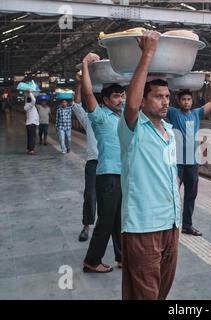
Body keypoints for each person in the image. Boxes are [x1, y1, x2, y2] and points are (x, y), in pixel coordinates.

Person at [118, 31, 181, 300]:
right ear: (143, 100)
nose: (165, 101)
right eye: (158, 96)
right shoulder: (133, 128)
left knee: (160, 291)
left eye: (167, 96)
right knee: (147, 293)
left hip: (171, 223)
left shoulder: (169, 131)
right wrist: (147, 54)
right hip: (144, 225)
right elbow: (130, 105)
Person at [81, 52, 125, 273]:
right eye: (116, 96)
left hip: (122, 175)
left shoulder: (123, 115)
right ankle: (92, 259)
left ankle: (121, 257)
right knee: (106, 220)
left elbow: (137, 97)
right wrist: (85, 66)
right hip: (107, 175)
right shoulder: (99, 117)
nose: (120, 99)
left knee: (118, 219)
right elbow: (88, 93)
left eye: (121, 95)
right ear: (106, 100)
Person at [166, 73, 211, 237]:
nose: (186, 102)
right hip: (177, 163)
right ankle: (170, 224)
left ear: (192, 101)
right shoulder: (173, 113)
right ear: (178, 101)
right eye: (183, 99)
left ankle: (187, 225)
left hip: (192, 163)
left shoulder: (197, 114)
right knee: (173, 194)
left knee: (190, 196)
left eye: (188, 99)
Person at [72, 72, 99, 242]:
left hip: (113, 164)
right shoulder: (89, 119)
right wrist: (80, 83)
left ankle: (117, 230)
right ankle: (86, 226)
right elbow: (76, 104)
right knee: (90, 195)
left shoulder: (117, 118)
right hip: (93, 163)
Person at [24, 91, 39, 155]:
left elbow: (30, 100)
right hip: (32, 123)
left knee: (29, 137)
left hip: (29, 123)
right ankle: (31, 150)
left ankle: (28, 149)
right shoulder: (31, 105)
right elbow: (34, 100)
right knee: (32, 137)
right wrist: (30, 93)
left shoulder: (26, 105)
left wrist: (28, 95)